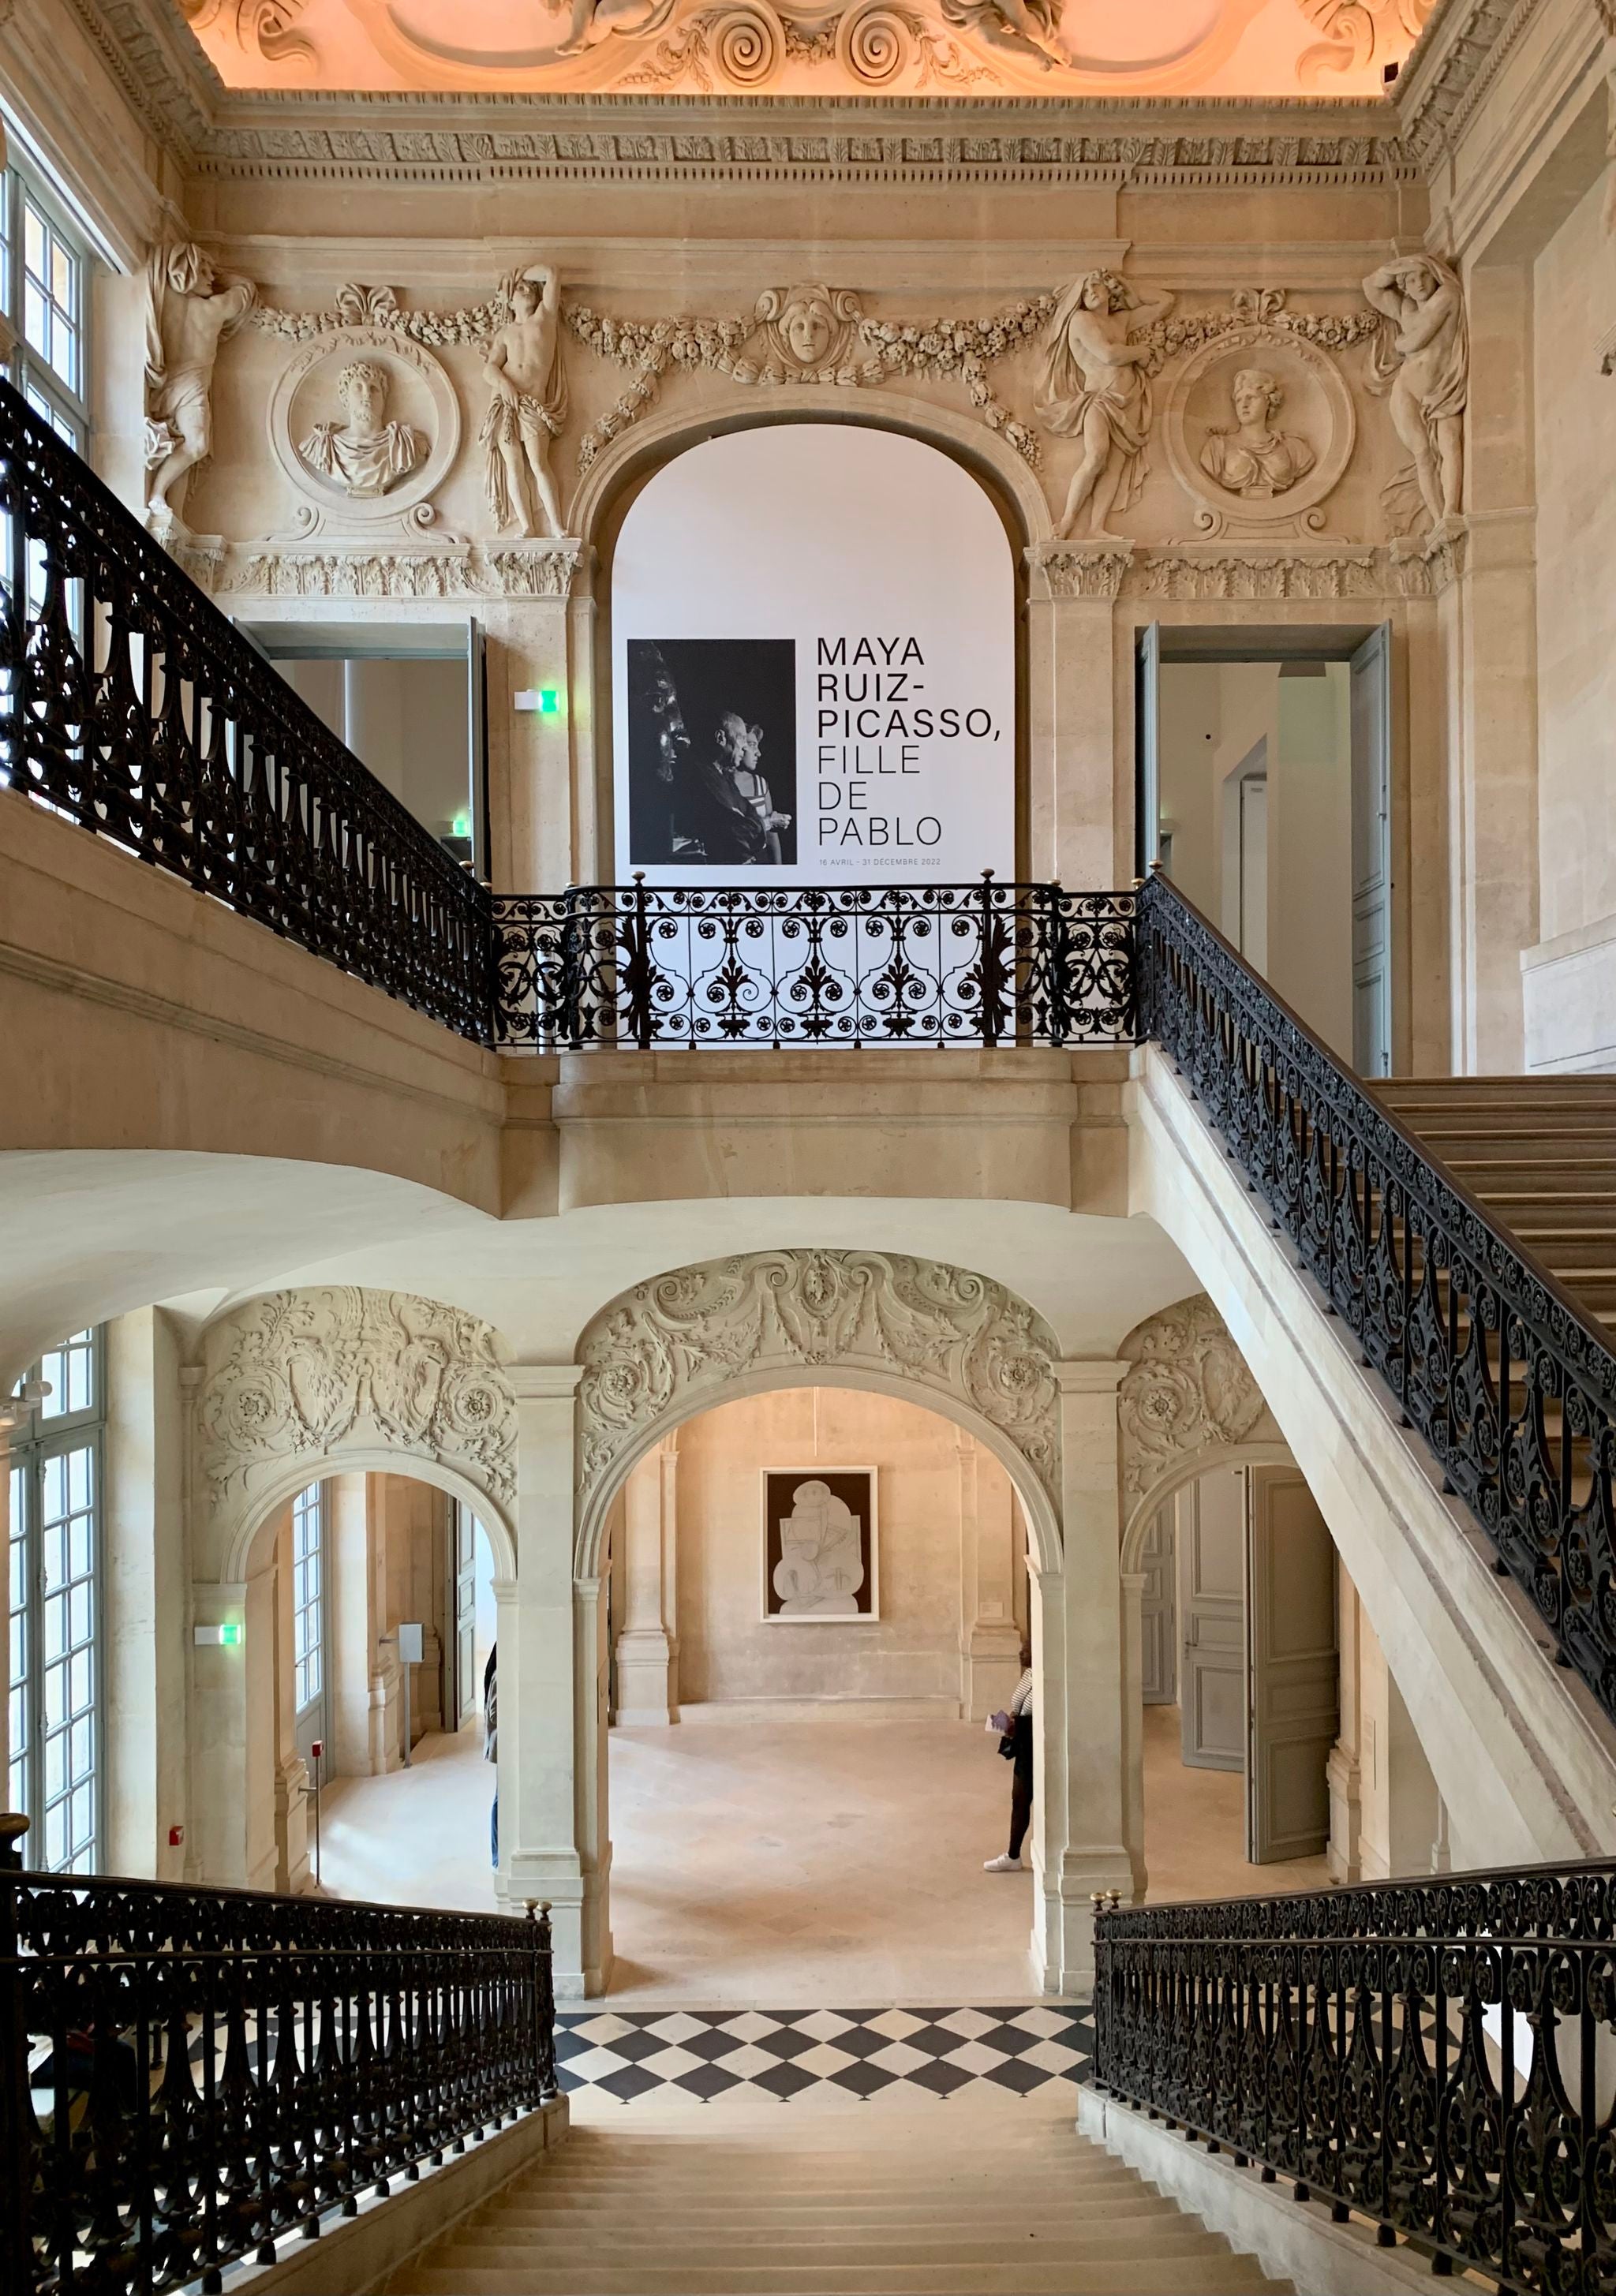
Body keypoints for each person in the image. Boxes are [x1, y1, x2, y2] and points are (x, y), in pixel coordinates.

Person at [1037, 271, 1176, 539]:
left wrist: (1127, 285)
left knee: (1115, 467)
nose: (1090, 292)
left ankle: (1096, 526)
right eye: (1085, 289)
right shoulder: (1081, 320)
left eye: (1095, 285)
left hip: (1130, 398)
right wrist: (1142, 352)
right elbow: (1108, 355)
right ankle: (1067, 521)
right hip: (1100, 398)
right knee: (1096, 456)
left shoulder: (1120, 321)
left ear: (1109, 290)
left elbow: (1165, 302)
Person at [481, 264, 567, 538]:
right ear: (510, 300)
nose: (527, 289)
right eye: (520, 289)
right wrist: (504, 384)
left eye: (531, 287)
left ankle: (556, 525)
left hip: (533, 405)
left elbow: (553, 274)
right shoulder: (505, 333)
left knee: (539, 464)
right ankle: (528, 525)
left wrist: (522, 274)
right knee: (514, 466)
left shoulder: (545, 317)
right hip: (505, 403)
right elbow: (489, 368)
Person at [984, 1654, 1033, 1872]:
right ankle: (1013, 1855)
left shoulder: (1055, 1674)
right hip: (1025, 1743)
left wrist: (1018, 1725)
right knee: (1019, 1799)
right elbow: (1020, 1704)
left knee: (1029, 1799)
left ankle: (1017, 1855)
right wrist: (1010, 1720)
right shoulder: (1031, 1671)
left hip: (1040, 1743)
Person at [728, 719, 791, 866]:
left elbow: (771, 834)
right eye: (752, 745)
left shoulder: (761, 784)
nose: (759, 753)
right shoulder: (722, 783)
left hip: (761, 859)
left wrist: (778, 869)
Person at [484, 1642, 499, 1869]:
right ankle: (497, 1856)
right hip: (502, 1743)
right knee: (501, 1799)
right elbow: (494, 1713)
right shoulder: (500, 1674)